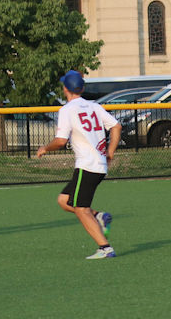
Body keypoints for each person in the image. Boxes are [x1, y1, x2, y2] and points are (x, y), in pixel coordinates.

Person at [35, 70, 121, 259]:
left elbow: (60, 141)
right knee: (64, 201)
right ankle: (99, 216)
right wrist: (111, 152)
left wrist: (44, 148)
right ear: (81, 88)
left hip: (87, 166)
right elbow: (116, 126)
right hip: (98, 166)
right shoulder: (94, 106)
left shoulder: (67, 110)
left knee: (81, 209)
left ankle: (105, 248)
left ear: (65, 88)